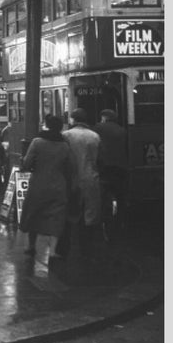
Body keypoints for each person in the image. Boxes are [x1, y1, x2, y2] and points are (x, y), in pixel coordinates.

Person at [19, 115, 72, 260]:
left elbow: (27, 164)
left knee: (34, 213)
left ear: (46, 125)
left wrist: (23, 163)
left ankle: (31, 246)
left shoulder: (37, 142)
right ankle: (53, 251)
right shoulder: (65, 145)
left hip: (38, 183)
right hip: (58, 185)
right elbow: (69, 167)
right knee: (56, 217)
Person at [59, 108, 102, 260]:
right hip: (91, 176)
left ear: (73, 120)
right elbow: (99, 159)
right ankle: (87, 248)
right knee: (90, 214)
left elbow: (63, 158)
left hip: (71, 178)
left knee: (69, 213)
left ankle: (65, 248)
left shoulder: (66, 135)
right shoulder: (95, 136)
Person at [94, 109, 129, 233]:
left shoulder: (97, 128)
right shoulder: (122, 130)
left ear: (104, 118)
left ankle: (104, 219)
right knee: (120, 195)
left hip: (104, 167)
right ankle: (121, 221)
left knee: (102, 195)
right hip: (120, 167)